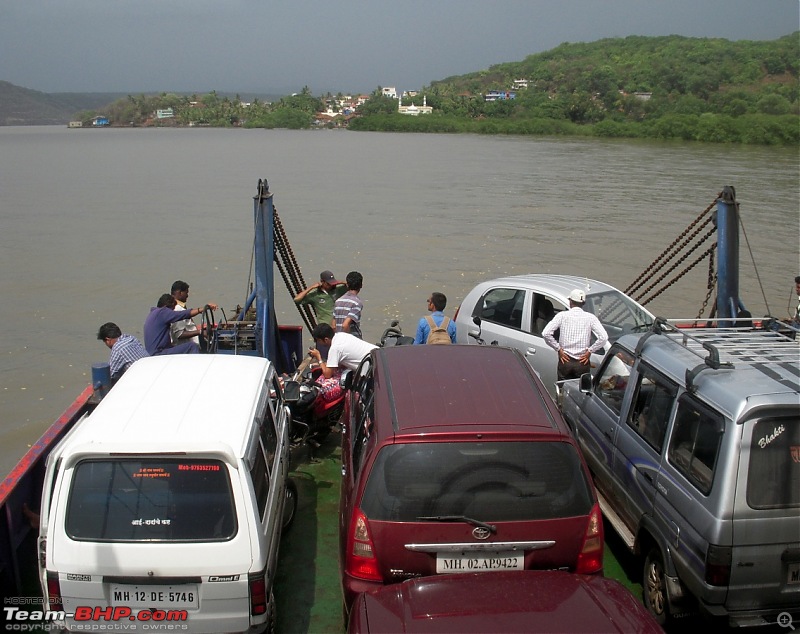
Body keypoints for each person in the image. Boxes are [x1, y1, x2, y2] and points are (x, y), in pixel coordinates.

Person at [542, 289, 609, 381]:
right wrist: (590, 351)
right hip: (582, 363)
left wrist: (558, 349)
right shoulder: (590, 318)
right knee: (581, 391)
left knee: (563, 388)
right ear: (583, 303)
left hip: (565, 361)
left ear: (570, 302)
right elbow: (604, 337)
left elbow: (546, 333)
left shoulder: (562, 316)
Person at [308, 323, 377, 401]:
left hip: (373, 370)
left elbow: (327, 374)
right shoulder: (341, 335)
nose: (317, 343)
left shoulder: (335, 348)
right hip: (379, 356)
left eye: (318, 340)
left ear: (326, 339)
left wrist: (318, 357)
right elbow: (332, 364)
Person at [144, 293, 218, 356]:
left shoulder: (153, 314)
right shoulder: (162, 312)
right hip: (159, 353)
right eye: (172, 309)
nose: (172, 312)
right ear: (167, 306)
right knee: (192, 346)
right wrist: (201, 309)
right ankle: (197, 369)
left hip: (153, 352)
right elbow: (183, 314)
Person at [170, 280, 202, 348]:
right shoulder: (177, 309)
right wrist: (199, 332)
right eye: (186, 293)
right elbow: (179, 334)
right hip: (188, 349)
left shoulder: (179, 307)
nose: (187, 295)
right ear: (180, 293)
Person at [333, 271, 365, 339]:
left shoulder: (338, 301)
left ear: (347, 285)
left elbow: (333, 326)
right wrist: (348, 341)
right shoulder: (356, 303)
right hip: (352, 339)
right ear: (361, 285)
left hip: (338, 338)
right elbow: (345, 325)